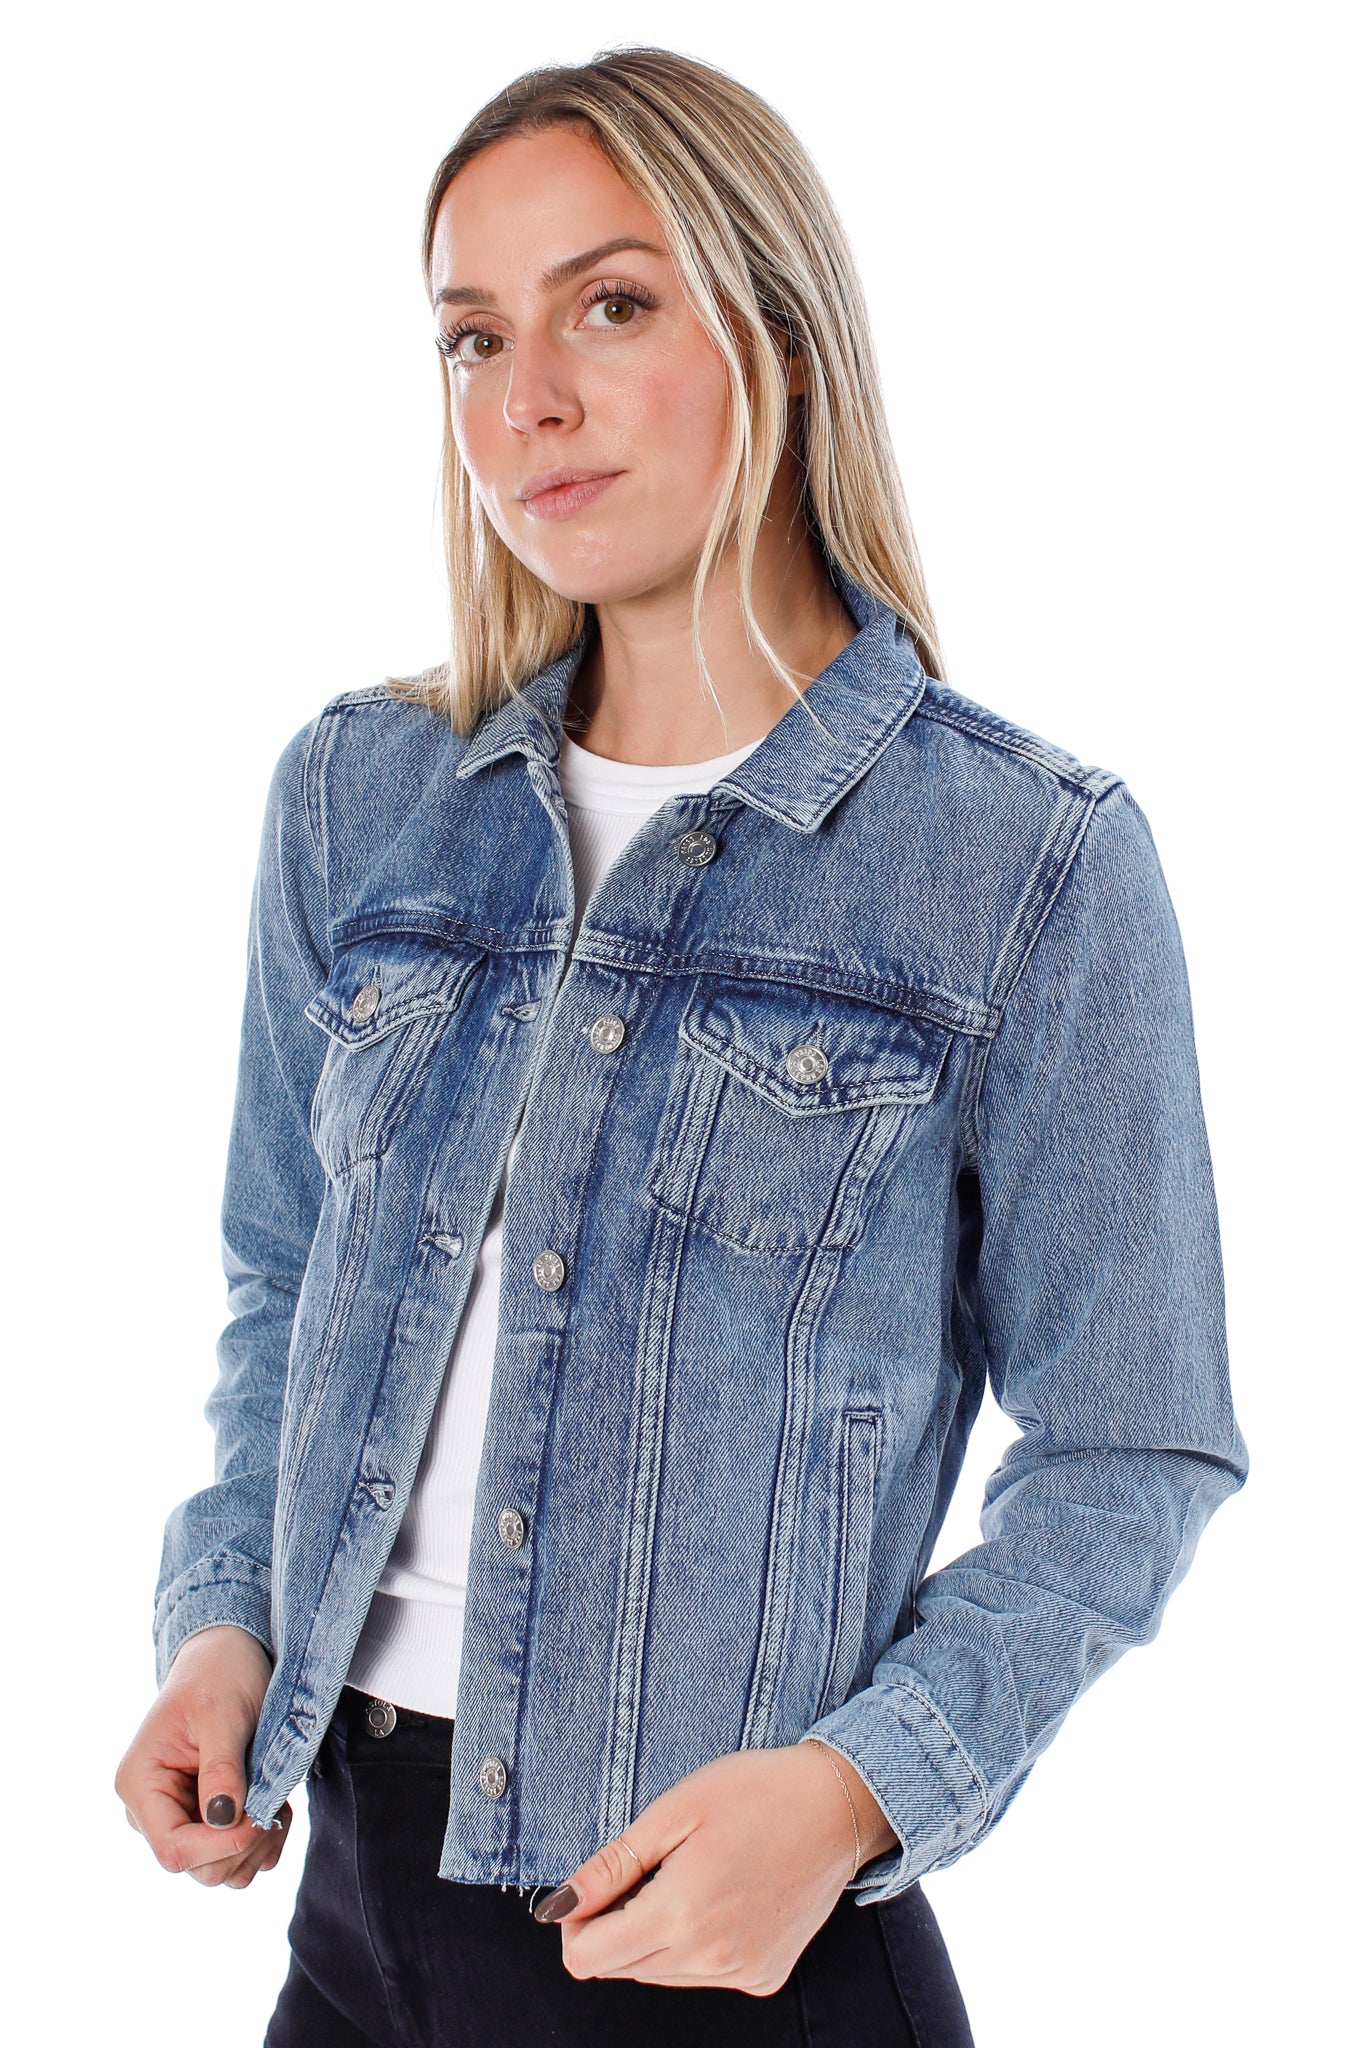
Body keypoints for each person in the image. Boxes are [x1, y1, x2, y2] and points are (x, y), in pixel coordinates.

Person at [114, 45, 1248, 2048]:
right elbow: (285, 1286)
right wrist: (226, 1619)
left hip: (728, 1958)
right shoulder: (359, 797)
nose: (525, 401)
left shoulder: (1021, 860)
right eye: (475, 337)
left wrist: (853, 1792)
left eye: (611, 306)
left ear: (780, 341)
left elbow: (1128, 1445)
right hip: (349, 1926)